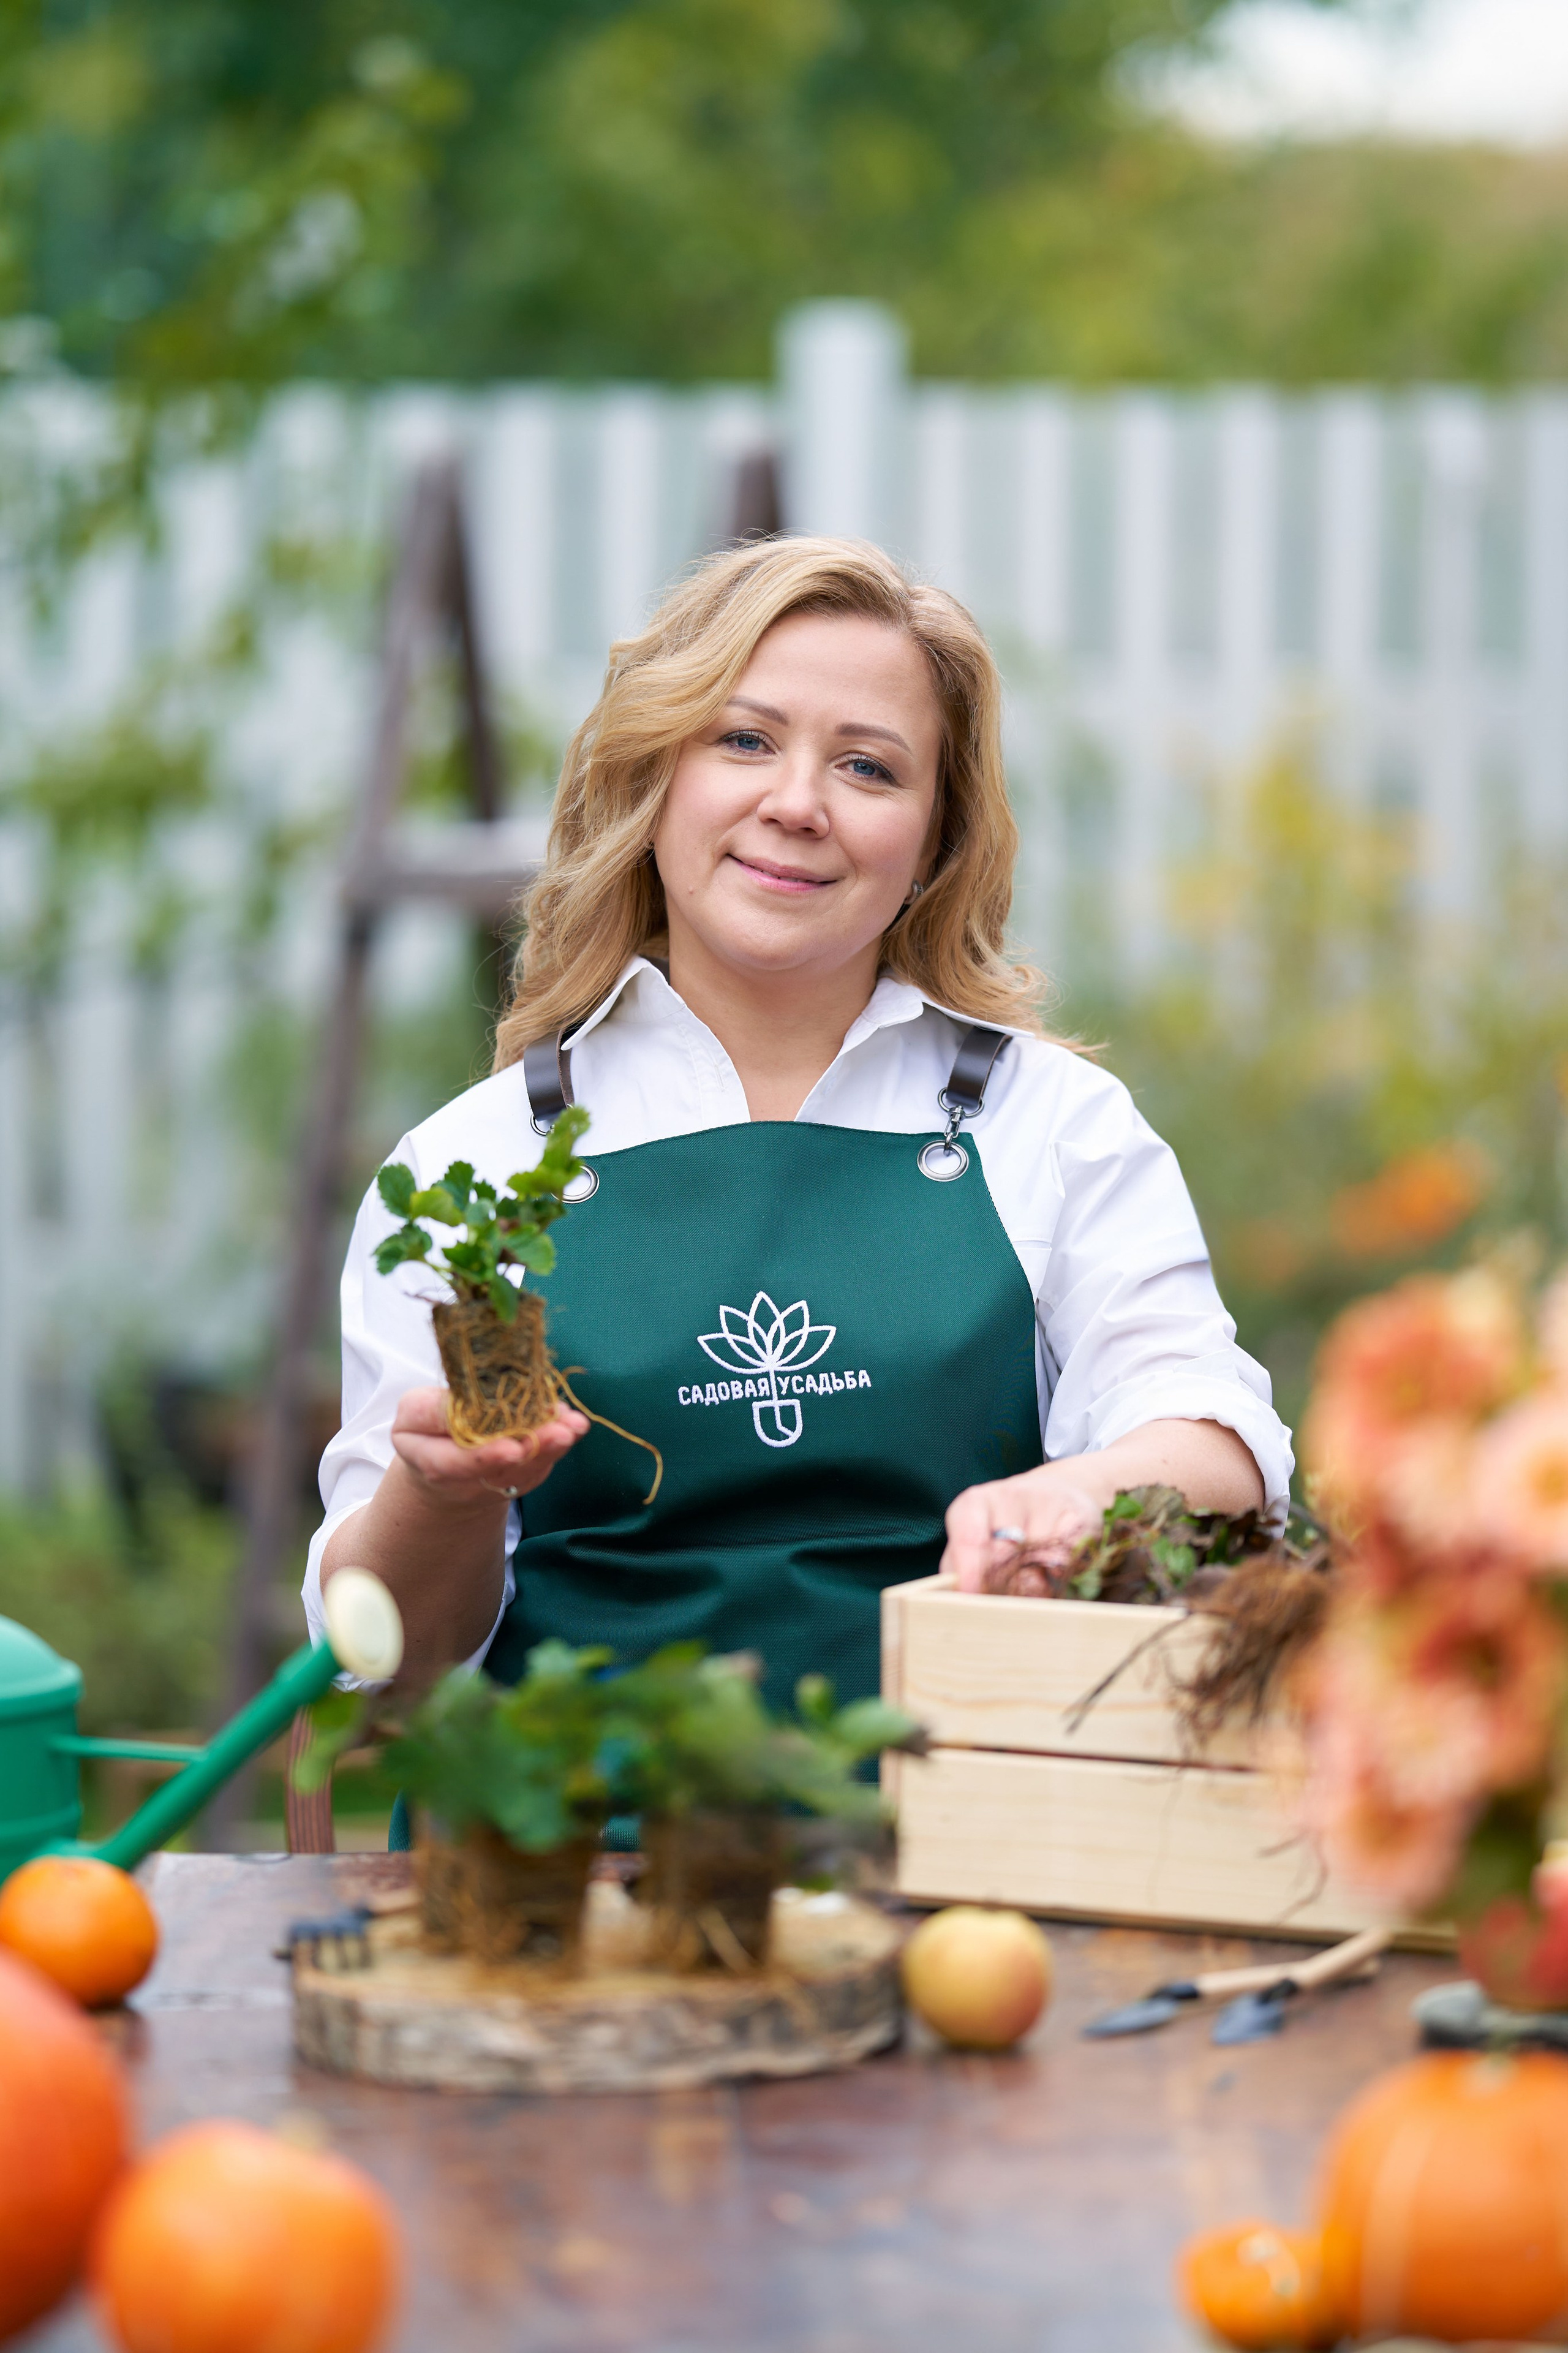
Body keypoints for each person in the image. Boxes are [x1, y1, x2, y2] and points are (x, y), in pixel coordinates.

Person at [305, 536, 1290, 1713]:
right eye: (744, 739)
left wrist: (1078, 1496)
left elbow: (1216, 1446)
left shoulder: (1052, 1126)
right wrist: (451, 1493)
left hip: (953, 1847)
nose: (797, 804)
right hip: (571, 1862)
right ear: (652, 774)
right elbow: (390, 1664)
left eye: (869, 769)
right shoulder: (476, 1171)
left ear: (935, 839)